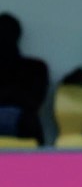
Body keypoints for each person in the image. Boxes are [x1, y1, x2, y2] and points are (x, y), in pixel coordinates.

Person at [0, 12, 48, 142]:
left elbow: (33, 102)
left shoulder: (36, 68)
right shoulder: (37, 68)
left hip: (22, 120)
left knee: (28, 120)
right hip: (22, 119)